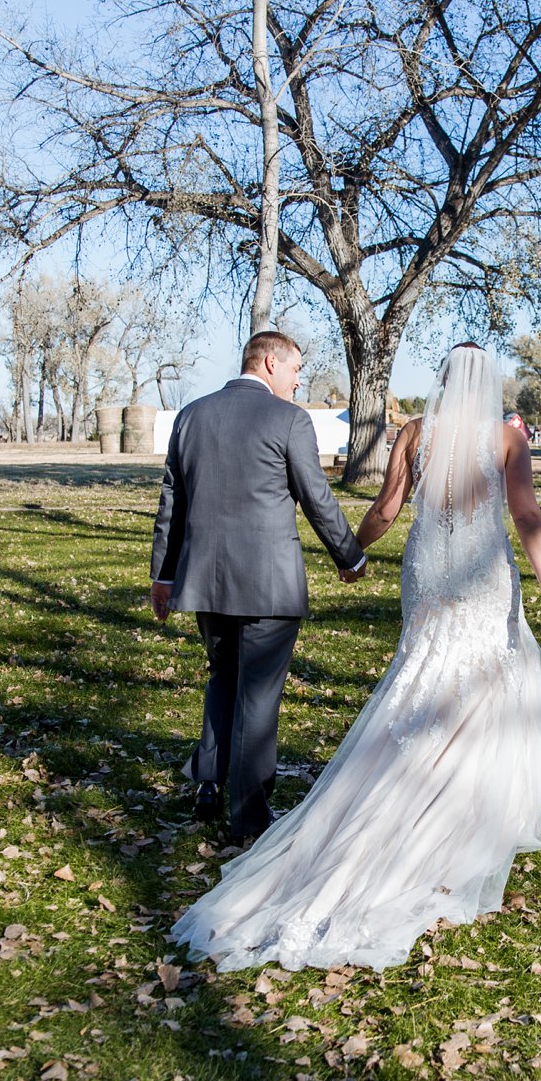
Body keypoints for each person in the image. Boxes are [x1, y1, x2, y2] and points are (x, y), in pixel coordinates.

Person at [169, 342, 541, 972]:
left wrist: (354, 553)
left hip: (428, 573)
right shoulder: (506, 438)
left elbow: (388, 508)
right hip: (480, 572)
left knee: (423, 672)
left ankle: (396, 773)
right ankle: (464, 789)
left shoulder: (417, 432)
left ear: (444, 381)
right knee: (485, 677)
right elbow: (526, 513)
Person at [151, 330, 368, 844]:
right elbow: (316, 498)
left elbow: (171, 504)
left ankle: (208, 782)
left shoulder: (192, 415)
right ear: (270, 363)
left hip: (205, 579)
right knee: (258, 699)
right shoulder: (289, 419)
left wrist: (162, 575)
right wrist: (350, 556)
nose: (298, 381)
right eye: (296, 370)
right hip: (269, 584)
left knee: (222, 677)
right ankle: (248, 819)